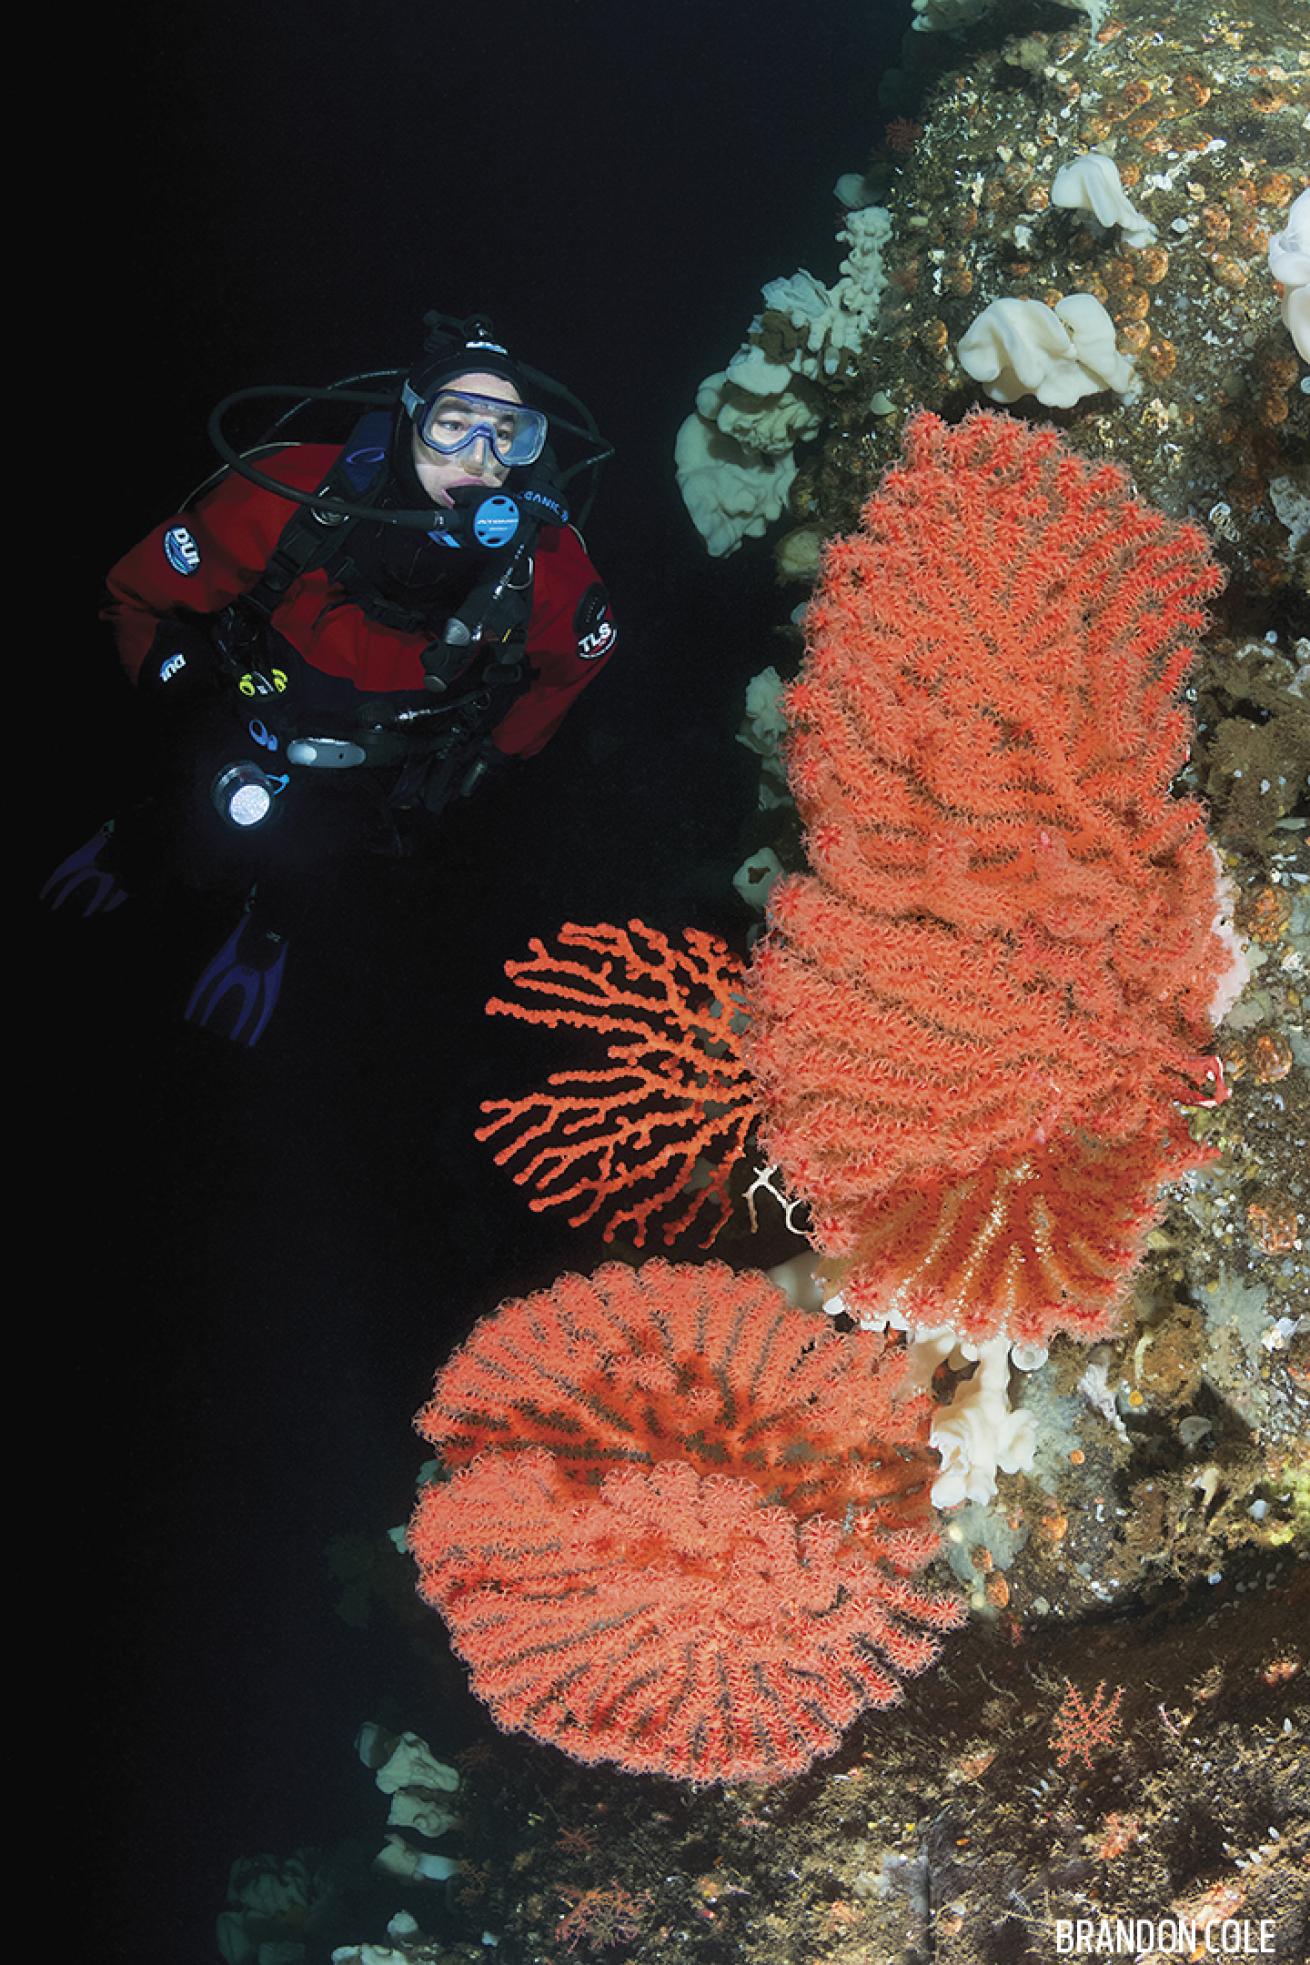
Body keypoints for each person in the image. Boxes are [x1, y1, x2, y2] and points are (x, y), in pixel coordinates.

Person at [46, 313, 617, 1042]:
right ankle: (131, 844)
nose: (479, 455)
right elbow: (134, 593)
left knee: (317, 859)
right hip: (239, 721)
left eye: (506, 434)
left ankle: (268, 933)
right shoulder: (286, 494)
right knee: (183, 803)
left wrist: (487, 761)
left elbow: (577, 665)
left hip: (376, 775)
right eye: (454, 422)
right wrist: (175, 683)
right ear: (408, 420)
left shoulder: (548, 573)